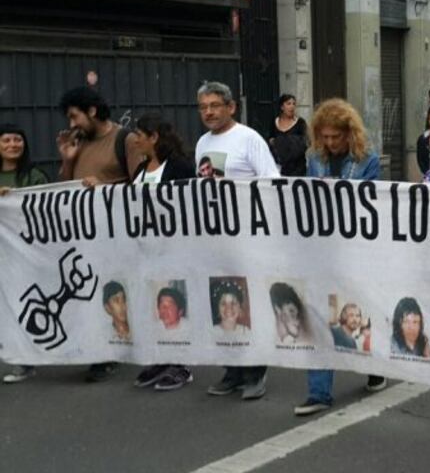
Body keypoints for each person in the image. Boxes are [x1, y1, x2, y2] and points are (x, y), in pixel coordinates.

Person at [295, 99, 387, 418]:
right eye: (325, 137)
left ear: (350, 134)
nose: (331, 143)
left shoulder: (367, 161)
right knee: (319, 314)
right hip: (322, 250)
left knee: (355, 311)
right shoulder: (314, 160)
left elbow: (372, 203)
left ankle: (372, 365)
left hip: (355, 250)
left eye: (336, 137)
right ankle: (318, 391)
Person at [195, 81, 279, 401]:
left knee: (249, 303)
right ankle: (232, 370)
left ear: (231, 107)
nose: (209, 112)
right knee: (223, 301)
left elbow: (271, 183)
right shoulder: (203, 142)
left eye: (215, 105)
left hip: (247, 237)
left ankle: (255, 371)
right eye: (203, 107)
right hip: (216, 238)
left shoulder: (249, 138)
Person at [56, 86, 140, 383]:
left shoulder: (124, 140)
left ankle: (111, 351)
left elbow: (141, 188)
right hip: (84, 234)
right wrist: (68, 159)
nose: (71, 125)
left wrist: (106, 189)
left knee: (112, 291)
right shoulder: (78, 143)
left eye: (74, 116)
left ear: (92, 111)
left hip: (116, 235)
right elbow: (65, 187)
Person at [130, 112, 197, 391]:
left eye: (140, 137)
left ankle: (180, 364)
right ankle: (161, 357)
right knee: (154, 304)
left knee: (174, 301)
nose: (135, 142)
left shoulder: (179, 168)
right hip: (146, 251)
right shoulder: (140, 170)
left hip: (174, 249)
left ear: (154, 137)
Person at [268, 94, 308, 177]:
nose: (292, 106)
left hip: (297, 168)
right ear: (282, 107)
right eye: (288, 104)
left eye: (294, 104)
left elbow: (305, 141)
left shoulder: (300, 123)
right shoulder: (275, 121)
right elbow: (270, 138)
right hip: (279, 167)